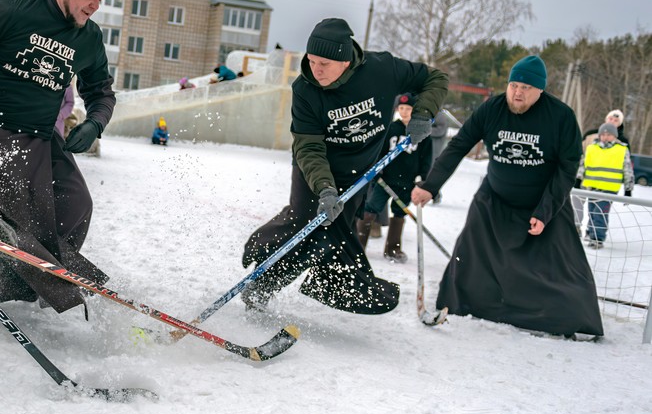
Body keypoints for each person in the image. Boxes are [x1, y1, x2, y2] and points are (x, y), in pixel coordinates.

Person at [241, 18, 448, 314]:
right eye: (312, 61)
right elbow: (308, 146)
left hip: (357, 174)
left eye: (324, 63)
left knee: (330, 235)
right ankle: (262, 284)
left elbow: (435, 78)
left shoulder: (382, 70)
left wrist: (423, 113)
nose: (316, 69)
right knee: (306, 223)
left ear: (345, 60)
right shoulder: (305, 89)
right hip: (315, 168)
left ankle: (334, 286)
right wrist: (325, 189)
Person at [0, 0, 117, 314]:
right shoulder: (11, 10)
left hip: (43, 138)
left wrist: (95, 123)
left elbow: (101, 92)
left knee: (76, 205)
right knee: (23, 218)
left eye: (101, 0)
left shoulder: (89, 38)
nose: (95, 6)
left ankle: (27, 284)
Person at [410, 55, 603, 337]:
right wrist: (431, 185)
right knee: (470, 257)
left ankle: (571, 321)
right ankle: (466, 304)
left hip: (543, 203)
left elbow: (567, 169)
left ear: (540, 90)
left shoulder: (560, 116)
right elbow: (459, 145)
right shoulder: (492, 108)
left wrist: (545, 212)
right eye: (514, 85)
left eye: (526, 87)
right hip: (495, 198)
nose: (517, 92)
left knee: (563, 271)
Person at [356, 93, 433, 262]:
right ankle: (357, 247)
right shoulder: (391, 128)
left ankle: (392, 249)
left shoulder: (421, 133)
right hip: (385, 181)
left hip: (407, 182)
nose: (404, 111)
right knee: (371, 209)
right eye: (401, 108)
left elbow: (426, 158)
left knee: (399, 213)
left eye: (408, 109)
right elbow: (379, 151)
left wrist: (423, 179)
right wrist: (376, 171)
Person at [576, 122, 634, 248]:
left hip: (609, 189)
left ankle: (598, 238)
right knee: (592, 212)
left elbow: (628, 170)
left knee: (600, 213)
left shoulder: (621, 150)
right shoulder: (592, 148)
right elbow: (583, 165)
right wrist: (578, 180)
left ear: (615, 136)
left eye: (609, 135)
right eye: (603, 134)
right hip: (592, 187)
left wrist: (628, 189)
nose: (605, 137)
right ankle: (591, 233)